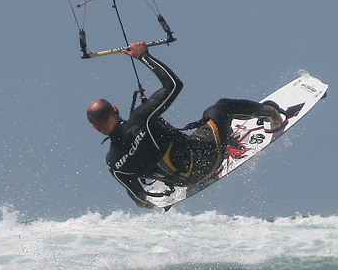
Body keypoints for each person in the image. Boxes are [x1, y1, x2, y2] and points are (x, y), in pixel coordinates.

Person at [87, 41, 285, 208]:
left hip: (183, 181)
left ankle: (188, 170)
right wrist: (144, 56)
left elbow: (138, 196)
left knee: (179, 150)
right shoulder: (140, 119)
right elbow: (173, 85)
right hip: (207, 161)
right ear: (115, 109)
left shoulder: (113, 162)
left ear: (95, 127)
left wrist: (148, 203)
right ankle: (273, 115)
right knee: (220, 107)